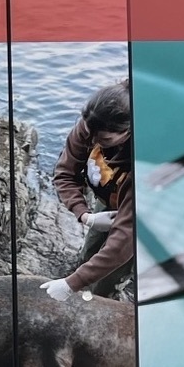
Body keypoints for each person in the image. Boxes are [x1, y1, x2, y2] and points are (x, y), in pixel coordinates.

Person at [42, 80, 134, 301]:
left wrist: (70, 284)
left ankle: (105, 299)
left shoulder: (142, 162)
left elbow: (123, 240)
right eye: (90, 133)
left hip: (141, 208)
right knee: (89, 251)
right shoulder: (92, 123)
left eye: (104, 139)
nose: (93, 142)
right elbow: (64, 174)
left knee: (109, 277)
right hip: (108, 197)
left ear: (129, 130)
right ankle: (83, 283)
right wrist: (86, 216)